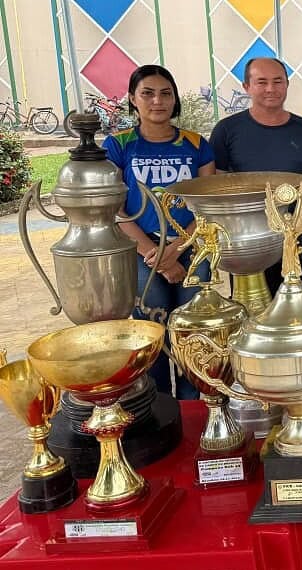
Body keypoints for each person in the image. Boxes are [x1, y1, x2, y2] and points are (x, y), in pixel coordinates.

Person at [103, 64, 215, 400]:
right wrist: (156, 257)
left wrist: (177, 249)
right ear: (132, 100)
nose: (157, 101)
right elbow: (114, 207)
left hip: (192, 246)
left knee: (193, 335)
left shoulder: (196, 145)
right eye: (147, 93)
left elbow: (207, 205)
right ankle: (159, 407)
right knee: (151, 335)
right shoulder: (118, 145)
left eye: (166, 93)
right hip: (141, 250)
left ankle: (194, 407)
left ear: (175, 99)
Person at [209, 57, 302, 298]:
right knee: (255, 321)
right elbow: (216, 193)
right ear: (246, 86)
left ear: (287, 84)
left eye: (278, 81)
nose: (271, 88)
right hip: (250, 250)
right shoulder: (227, 131)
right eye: (261, 82)